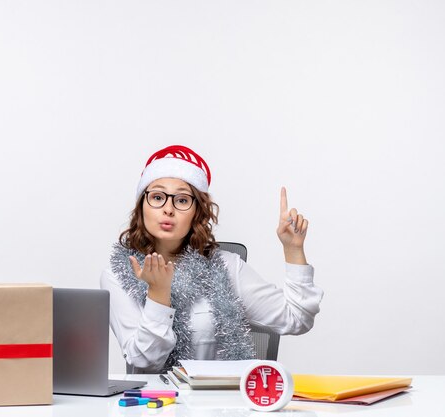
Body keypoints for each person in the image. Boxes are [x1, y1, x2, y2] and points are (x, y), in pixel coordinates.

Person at [100, 145, 324, 374]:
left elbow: (297, 319)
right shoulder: (119, 274)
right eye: (157, 197)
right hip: (156, 406)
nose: (168, 209)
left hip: (224, 404)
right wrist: (158, 295)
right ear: (142, 206)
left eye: (182, 200)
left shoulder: (227, 266)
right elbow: (144, 362)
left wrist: (293, 249)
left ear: (197, 212)